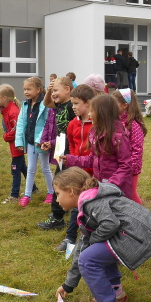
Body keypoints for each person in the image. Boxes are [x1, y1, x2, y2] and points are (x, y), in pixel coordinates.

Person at [54, 167, 151, 302]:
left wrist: (93, 241)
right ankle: (116, 292)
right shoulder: (90, 200)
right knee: (95, 253)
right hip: (134, 234)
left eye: (57, 194)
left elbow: (110, 224)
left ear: (70, 191)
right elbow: (83, 245)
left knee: (88, 259)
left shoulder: (92, 203)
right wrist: (68, 284)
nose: (56, 200)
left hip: (134, 237)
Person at [60, 94, 134, 202]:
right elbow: (92, 159)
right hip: (101, 188)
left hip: (117, 191)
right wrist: (70, 159)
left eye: (91, 111)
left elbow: (126, 165)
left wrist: (110, 184)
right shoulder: (95, 133)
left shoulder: (118, 136)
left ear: (102, 113)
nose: (89, 114)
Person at [55, 84, 95, 252]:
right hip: (78, 172)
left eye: (76, 103)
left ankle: (92, 239)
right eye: (72, 103)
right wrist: (73, 163)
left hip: (94, 173)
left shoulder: (96, 124)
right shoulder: (72, 124)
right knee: (76, 205)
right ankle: (70, 238)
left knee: (92, 208)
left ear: (88, 103)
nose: (73, 107)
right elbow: (71, 144)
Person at [38, 76, 75, 230]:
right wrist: (49, 91)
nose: (53, 94)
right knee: (59, 178)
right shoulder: (60, 104)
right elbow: (47, 103)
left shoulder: (72, 106)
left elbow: (72, 133)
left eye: (56, 90)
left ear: (67, 89)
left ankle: (57, 217)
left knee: (61, 180)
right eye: (52, 91)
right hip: (60, 145)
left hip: (69, 149)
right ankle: (62, 209)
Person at [15, 77, 53, 207]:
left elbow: (47, 123)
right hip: (30, 142)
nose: (26, 92)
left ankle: (51, 192)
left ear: (38, 90)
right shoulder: (25, 105)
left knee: (45, 167)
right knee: (30, 169)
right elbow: (21, 123)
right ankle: (27, 195)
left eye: (29, 89)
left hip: (42, 143)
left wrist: (40, 140)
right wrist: (19, 141)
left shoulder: (46, 104)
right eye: (24, 89)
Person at [0, 84, 33, 204]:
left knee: (15, 169)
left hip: (18, 145)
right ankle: (33, 188)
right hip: (15, 145)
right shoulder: (7, 110)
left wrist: (6, 136)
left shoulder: (13, 111)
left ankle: (14, 194)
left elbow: (17, 130)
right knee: (22, 166)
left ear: (5, 98)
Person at [112, 88, 147, 204]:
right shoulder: (115, 122)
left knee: (131, 195)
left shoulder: (133, 125)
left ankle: (139, 213)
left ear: (124, 105)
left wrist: (129, 168)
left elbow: (137, 150)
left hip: (130, 169)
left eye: (114, 103)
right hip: (119, 166)